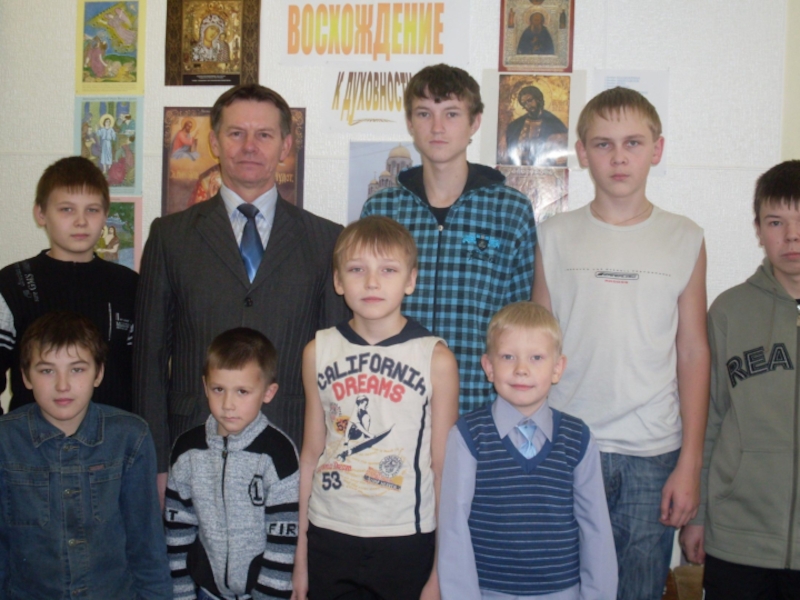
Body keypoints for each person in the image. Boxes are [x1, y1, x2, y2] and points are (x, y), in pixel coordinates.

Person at [533, 87, 710, 600]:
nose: (618, 157)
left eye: (633, 142)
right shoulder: (554, 235)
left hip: (653, 454)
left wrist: (690, 463)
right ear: (582, 152)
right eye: (603, 144)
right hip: (567, 446)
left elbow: (693, 351)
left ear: (657, 149)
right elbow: (538, 344)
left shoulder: (685, 237)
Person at [133, 84, 348, 501]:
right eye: (236, 133)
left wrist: (325, 459)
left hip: (293, 449)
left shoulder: (326, 240)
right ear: (214, 142)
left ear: (285, 146)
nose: (250, 146)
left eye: (264, 135)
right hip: (192, 448)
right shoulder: (170, 236)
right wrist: (155, 463)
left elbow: (332, 365)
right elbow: (149, 360)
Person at [293, 216, 460, 599]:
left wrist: (439, 571)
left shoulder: (435, 358)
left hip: (406, 538)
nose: (371, 282)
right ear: (338, 281)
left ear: (410, 280)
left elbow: (443, 468)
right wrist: (300, 558)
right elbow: (310, 456)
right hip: (329, 532)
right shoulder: (318, 351)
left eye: (388, 270)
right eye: (357, 269)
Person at [361, 64, 536, 415]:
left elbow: (521, 321)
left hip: (479, 407)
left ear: (475, 122)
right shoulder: (381, 210)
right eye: (424, 114)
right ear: (410, 123)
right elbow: (363, 308)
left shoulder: (510, 210)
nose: (437, 127)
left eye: (451, 114)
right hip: (392, 403)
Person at [438, 302, 617, 599]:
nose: (521, 369)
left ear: (557, 368)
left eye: (536, 357)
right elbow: (453, 529)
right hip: (488, 592)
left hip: (561, 593)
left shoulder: (578, 439)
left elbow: (596, 529)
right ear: (489, 367)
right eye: (508, 357)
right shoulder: (468, 436)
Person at [680, 161, 800, 600]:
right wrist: (698, 517)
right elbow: (709, 419)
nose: (791, 236)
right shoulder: (729, 312)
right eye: (776, 222)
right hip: (738, 539)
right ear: (758, 229)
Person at [0, 311, 171, 599]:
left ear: (98, 373)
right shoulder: (5, 440)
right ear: (26, 376)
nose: (63, 385)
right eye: (47, 371)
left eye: (77, 369)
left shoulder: (131, 436)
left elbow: (146, 544)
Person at [165, 327, 299, 600]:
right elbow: (177, 532)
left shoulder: (279, 454)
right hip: (206, 592)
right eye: (218, 389)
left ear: (268, 392)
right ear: (205, 386)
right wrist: (182, 594)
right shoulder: (187, 451)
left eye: (242, 391)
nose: (228, 404)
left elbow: (283, 541)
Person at [0, 156, 137, 415]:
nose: (81, 221)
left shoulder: (129, 286)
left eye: (92, 210)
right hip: (30, 437)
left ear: (106, 215)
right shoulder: (12, 283)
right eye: (67, 209)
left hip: (114, 436)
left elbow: (145, 374)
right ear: (41, 213)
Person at [505, 85, 568, 166]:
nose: (527, 105)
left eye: (529, 100)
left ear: (538, 99)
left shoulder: (554, 123)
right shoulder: (516, 125)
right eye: (524, 103)